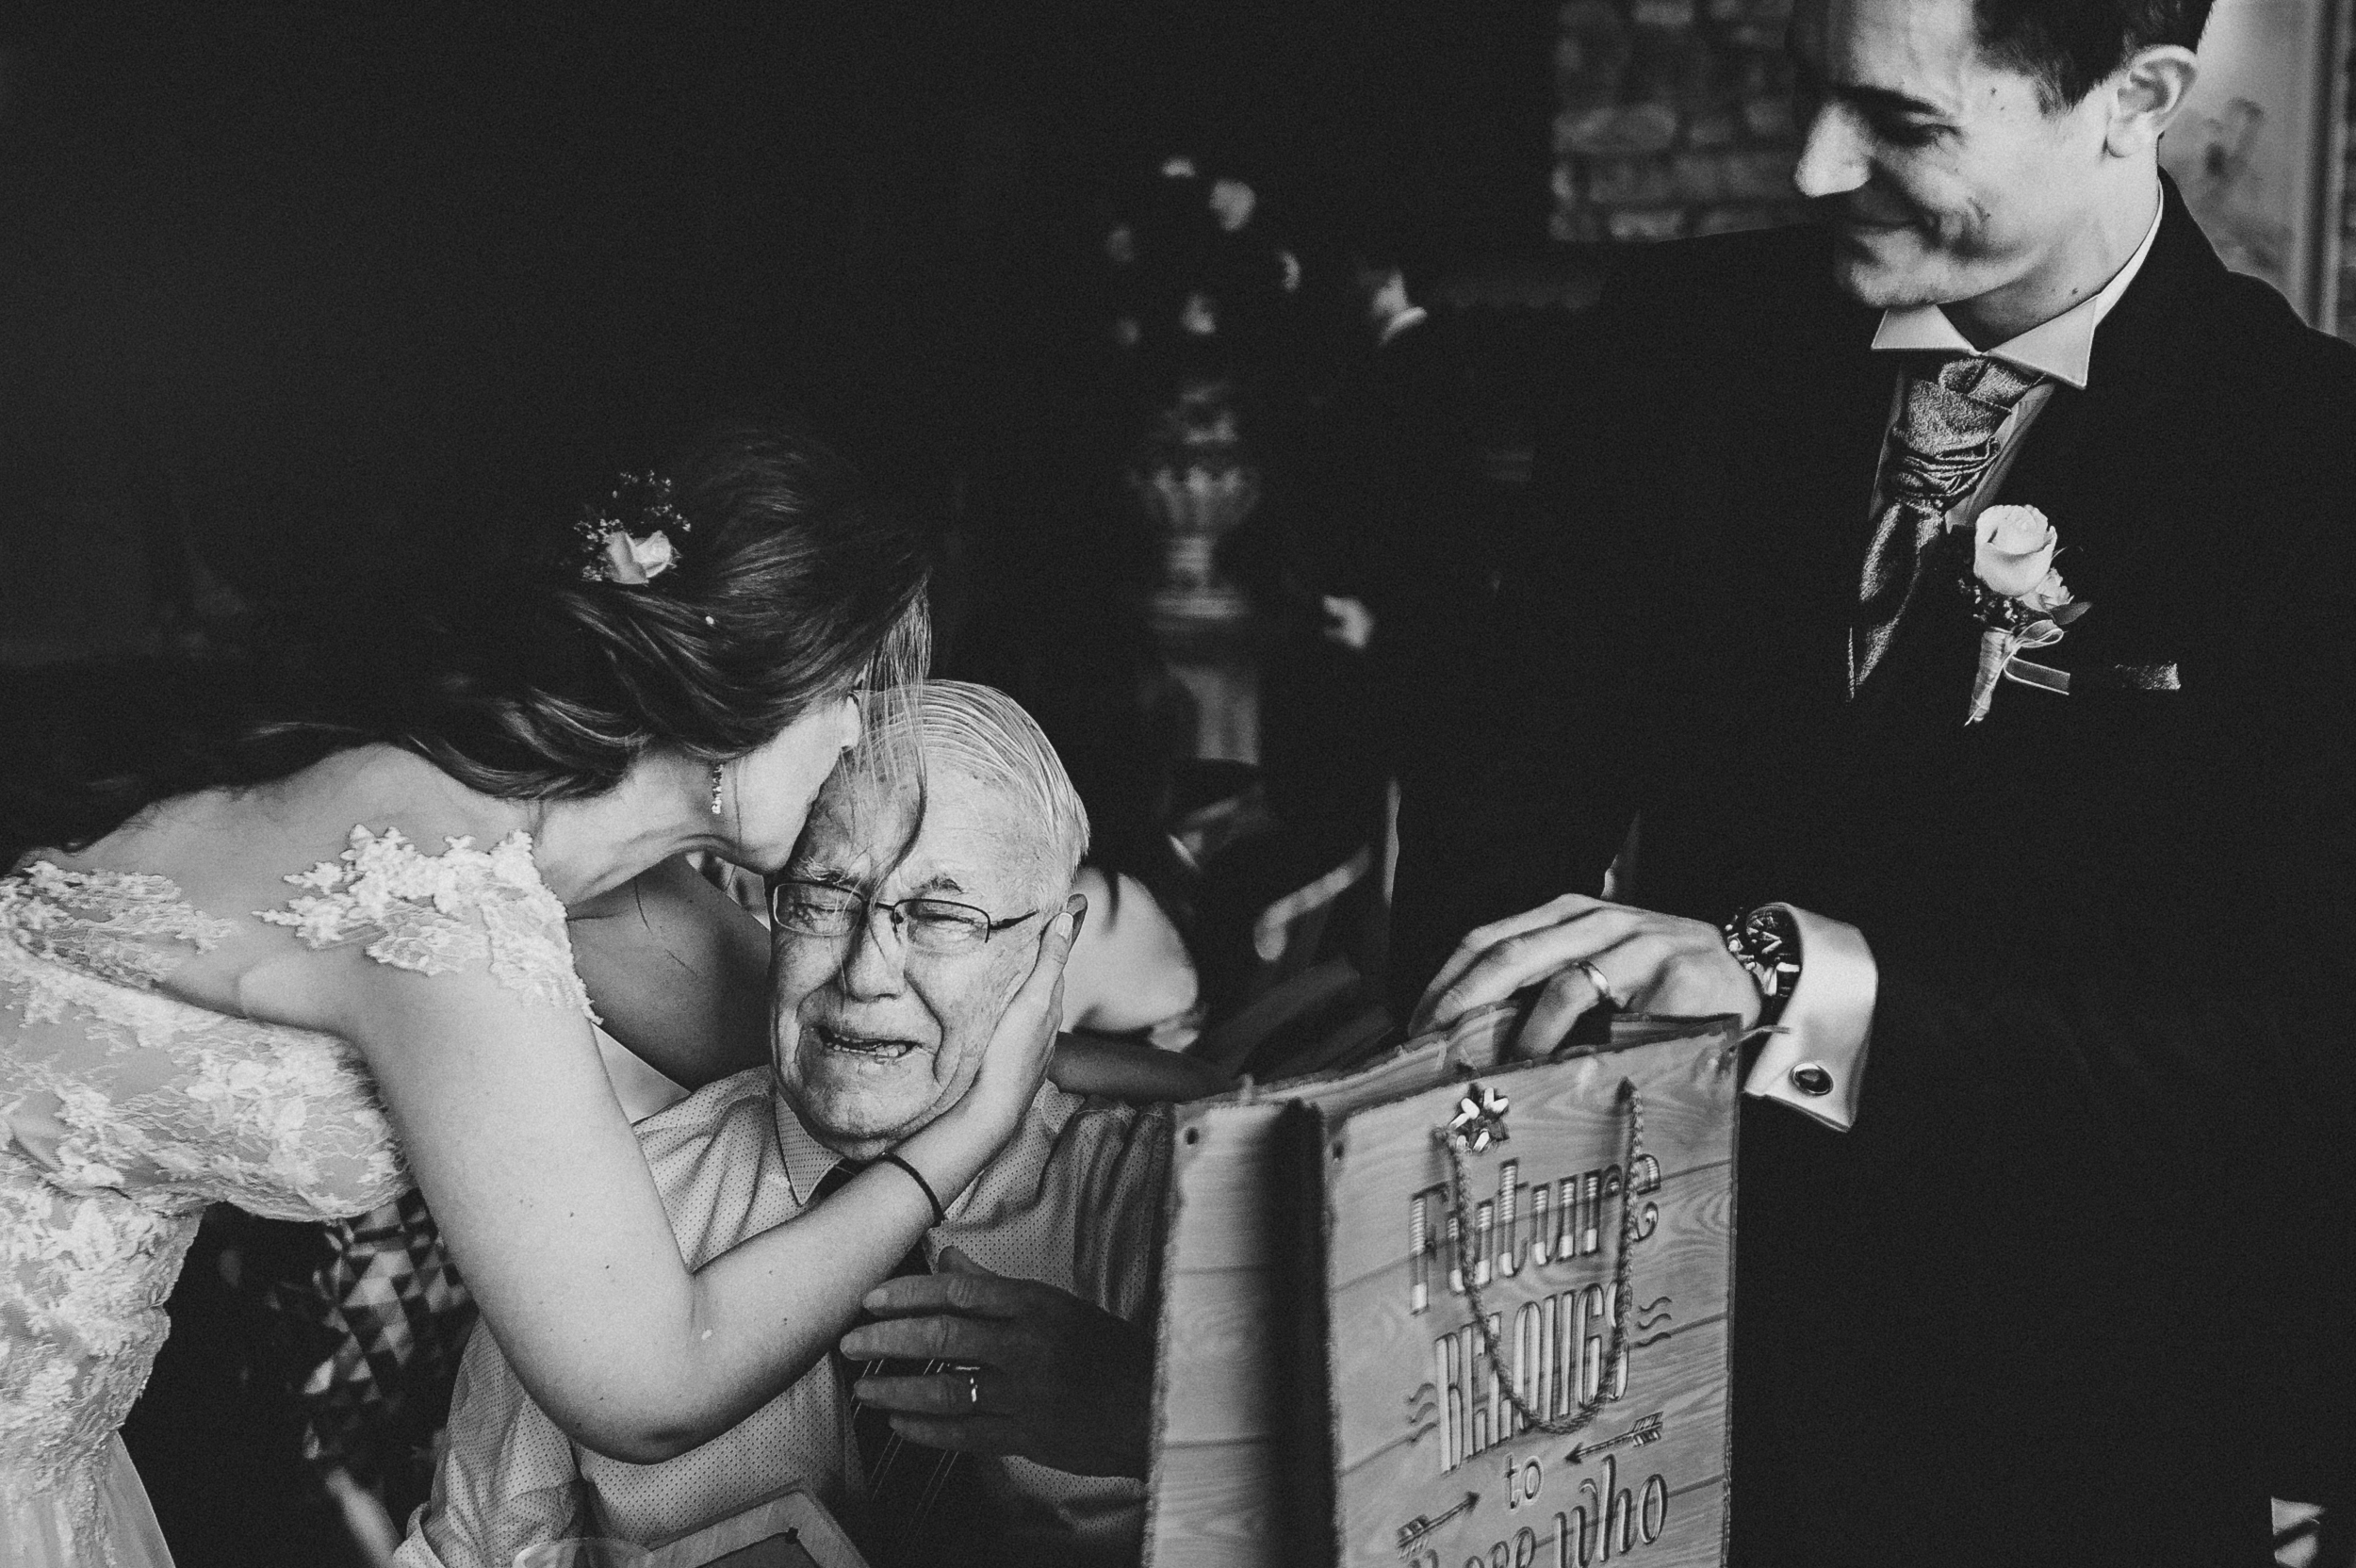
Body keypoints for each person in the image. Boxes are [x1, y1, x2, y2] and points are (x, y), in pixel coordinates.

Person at [1392, 3, 2356, 1564]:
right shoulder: (1675, 342)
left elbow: (2302, 1060)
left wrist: (1800, 989)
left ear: (2135, 96)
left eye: (1903, 124)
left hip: (2068, 1443)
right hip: (1637, 1407)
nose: (1813, 165)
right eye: (1809, 91)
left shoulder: (2315, 463)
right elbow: (1495, 798)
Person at [0, 423, 1084, 1568]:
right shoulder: (440, 892)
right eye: (851, 689)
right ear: (739, 683)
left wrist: (1094, 1068)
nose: (862, 734)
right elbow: (650, 1384)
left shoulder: (528, 834)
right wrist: (959, 1145)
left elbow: (826, 1053)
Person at [400, 681, 1168, 1568]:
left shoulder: (1160, 1207)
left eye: (940, 918)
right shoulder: (613, 1224)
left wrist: (1149, 1418)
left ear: (1053, 946)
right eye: (823, 899)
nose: (866, 974)